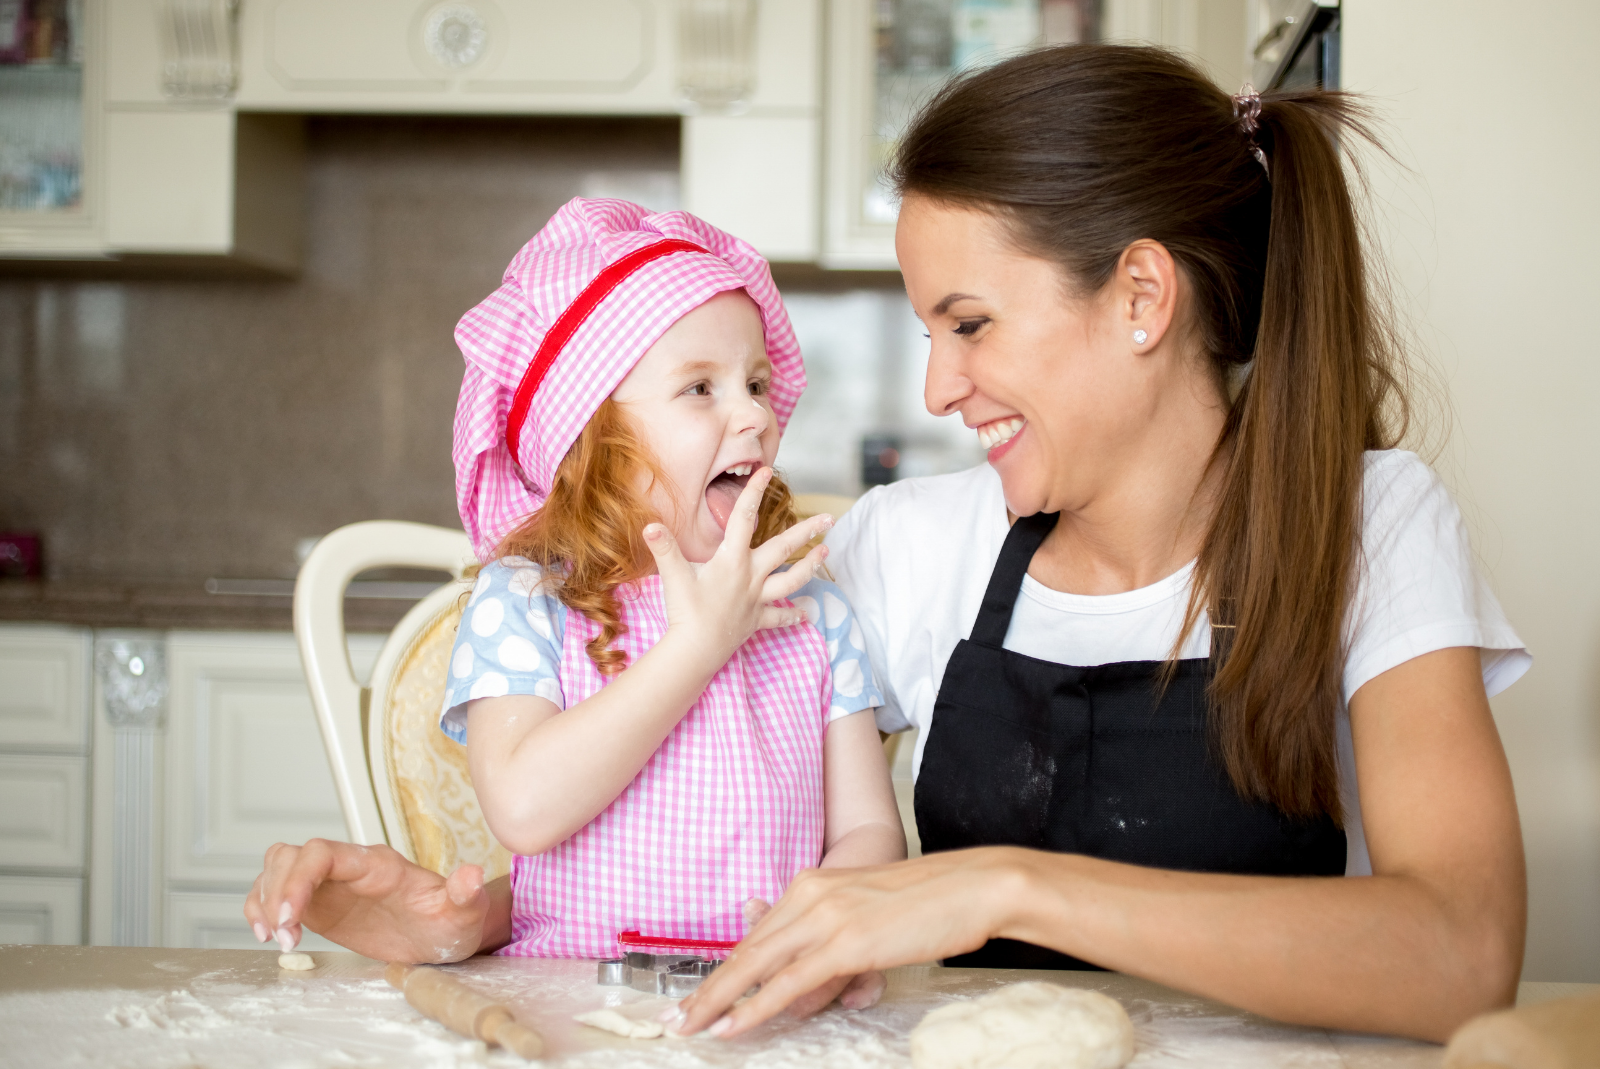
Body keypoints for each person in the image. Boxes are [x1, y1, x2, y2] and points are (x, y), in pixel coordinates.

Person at [673, 46, 1529, 1044]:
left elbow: (1461, 955)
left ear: (1140, 296)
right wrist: (492, 905)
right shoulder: (910, 543)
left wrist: (1007, 886)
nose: (938, 389)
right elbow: (684, 795)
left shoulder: (1367, 523)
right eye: (929, 335)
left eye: (971, 324)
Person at [245, 199, 903, 1002]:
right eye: (700, 387)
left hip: (769, 1005)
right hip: (564, 1009)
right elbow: (524, 806)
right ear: (591, 443)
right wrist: (699, 644)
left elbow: (869, 828)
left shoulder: (812, 608)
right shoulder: (528, 601)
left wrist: (822, 930)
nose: (756, 415)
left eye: (757, 382)